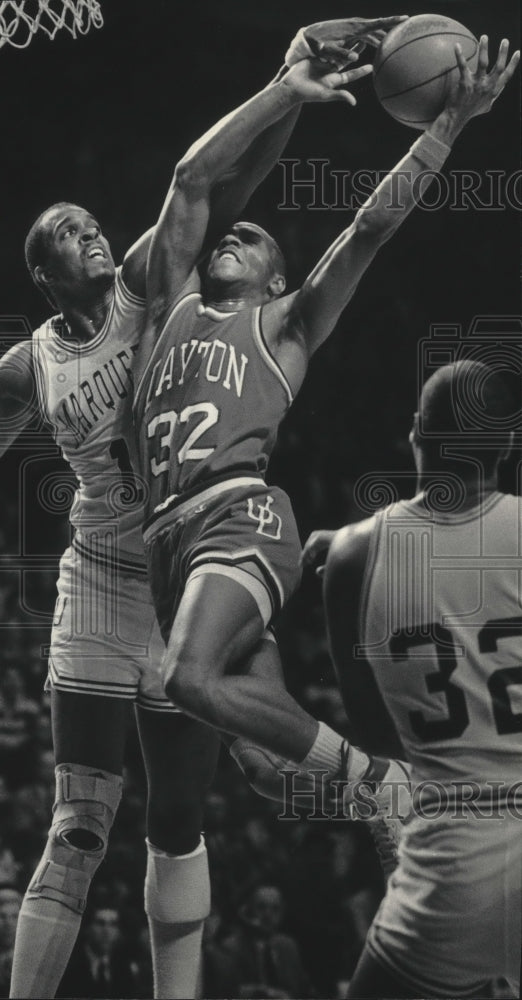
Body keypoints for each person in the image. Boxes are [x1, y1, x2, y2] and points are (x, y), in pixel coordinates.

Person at [0, 17, 407, 998]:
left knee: (178, 819)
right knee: (79, 822)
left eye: (91, 220)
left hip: (181, 567)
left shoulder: (151, 281)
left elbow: (216, 183)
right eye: (66, 230)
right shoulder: (27, 365)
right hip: (98, 578)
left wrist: (287, 83)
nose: (89, 228)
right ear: (43, 274)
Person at [133, 38, 519, 807]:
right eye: (229, 234)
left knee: (187, 677)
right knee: (269, 770)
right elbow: (190, 180)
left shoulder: (286, 327)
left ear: (277, 277)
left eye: (253, 238)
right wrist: (282, 88)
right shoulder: (162, 310)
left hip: (235, 519)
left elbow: (367, 230)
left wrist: (444, 128)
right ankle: (388, 816)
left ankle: (384, 783)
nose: (233, 235)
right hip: (165, 548)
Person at [322, 359, 522, 998]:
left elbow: (377, 734)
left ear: (416, 437)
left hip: (453, 858)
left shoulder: (352, 556)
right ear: (508, 444)